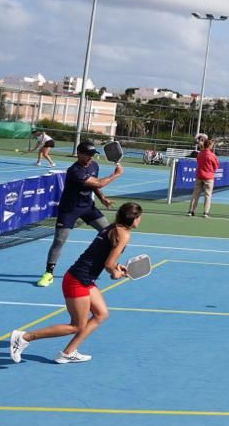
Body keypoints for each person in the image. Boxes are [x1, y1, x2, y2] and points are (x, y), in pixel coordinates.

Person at [11, 202, 142, 365]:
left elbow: (103, 258)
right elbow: (108, 264)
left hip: (83, 278)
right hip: (77, 280)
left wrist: (116, 266)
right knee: (76, 326)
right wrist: (115, 273)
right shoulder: (124, 234)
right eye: (139, 217)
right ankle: (24, 337)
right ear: (135, 218)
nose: (140, 219)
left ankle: (68, 353)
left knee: (101, 314)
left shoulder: (112, 228)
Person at [36, 142, 123, 288]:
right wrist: (116, 174)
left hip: (88, 207)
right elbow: (99, 183)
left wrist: (102, 198)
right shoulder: (74, 171)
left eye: (92, 154)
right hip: (69, 209)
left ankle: (110, 264)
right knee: (59, 241)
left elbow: (95, 186)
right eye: (87, 154)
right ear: (79, 153)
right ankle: (48, 273)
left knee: (112, 234)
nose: (90, 157)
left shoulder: (94, 165)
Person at [188, 135, 218, 218]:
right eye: (212, 145)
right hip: (208, 177)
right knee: (208, 195)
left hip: (199, 175)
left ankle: (191, 211)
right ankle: (205, 212)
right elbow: (216, 166)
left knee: (195, 194)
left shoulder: (200, 154)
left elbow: (198, 162)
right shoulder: (212, 155)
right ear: (209, 146)